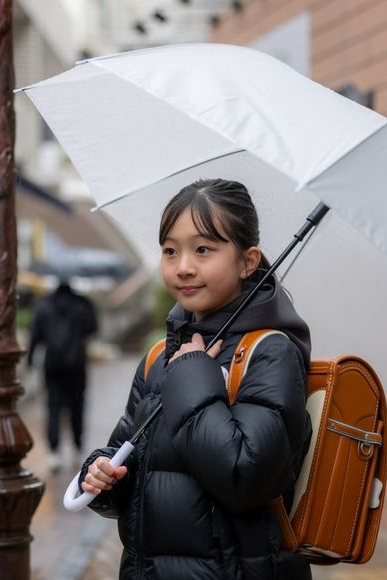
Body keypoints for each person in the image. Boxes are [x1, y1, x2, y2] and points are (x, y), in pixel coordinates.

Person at [78, 179, 313, 579]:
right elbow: (128, 456)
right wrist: (103, 474)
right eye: (170, 250)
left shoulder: (271, 352)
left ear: (247, 261)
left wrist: (192, 374)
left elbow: (245, 476)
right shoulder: (159, 356)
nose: (183, 266)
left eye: (203, 249)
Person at [28, 278, 98, 472]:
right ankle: (77, 447)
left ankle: (54, 453)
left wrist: (30, 359)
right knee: (77, 406)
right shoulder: (83, 304)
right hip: (77, 365)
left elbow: (35, 335)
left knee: (53, 407)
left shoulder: (44, 305)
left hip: (52, 366)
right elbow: (93, 329)